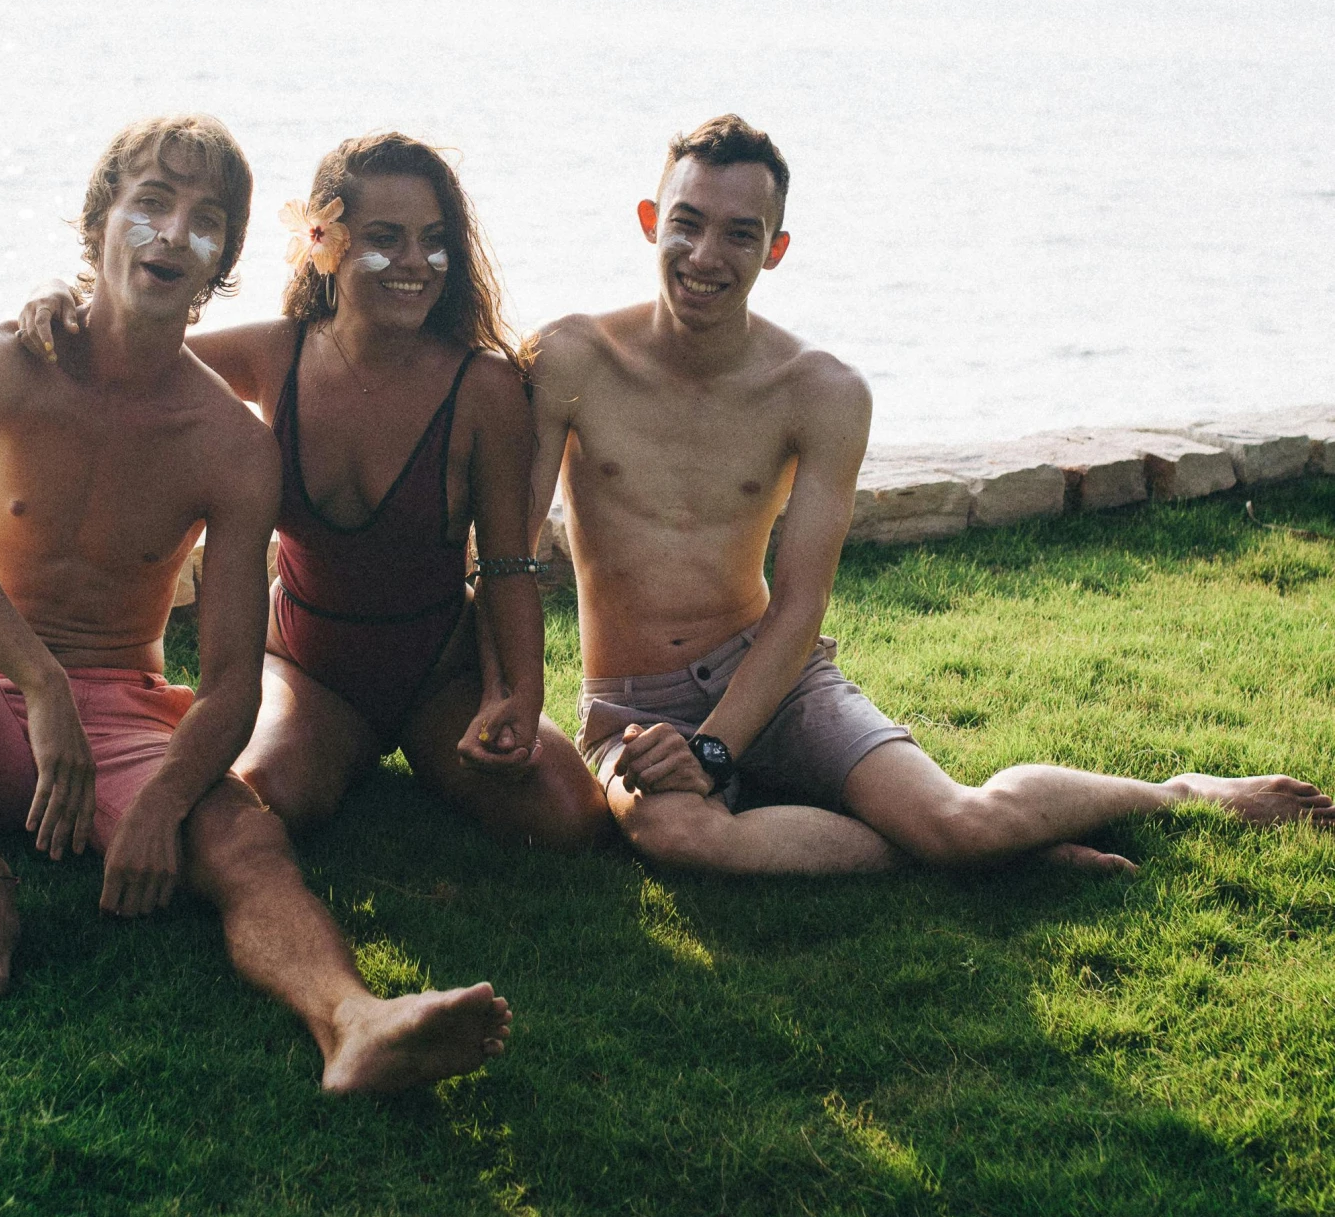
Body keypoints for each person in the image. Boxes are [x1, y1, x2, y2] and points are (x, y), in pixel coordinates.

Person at [0, 114, 511, 1092]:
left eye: (205, 219)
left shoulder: (230, 443)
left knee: (248, 836)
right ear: (99, 226)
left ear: (223, 262)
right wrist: (39, 681)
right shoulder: (1, 364)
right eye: (152, 205)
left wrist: (165, 799)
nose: (174, 234)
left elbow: (226, 685)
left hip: (118, 717)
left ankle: (353, 1020)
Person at [528, 113, 1334, 877]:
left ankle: (1174, 791)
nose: (706, 253)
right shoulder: (570, 359)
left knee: (961, 821)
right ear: (648, 220)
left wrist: (712, 750)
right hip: (632, 706)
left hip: (772, 676)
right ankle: (989, 856)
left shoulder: (822, 391)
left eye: (740, 233)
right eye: (688, 221)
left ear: (774, 248)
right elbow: (509, 547)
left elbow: (801, 604)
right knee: (677, 835)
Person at [19, 130, 609, 854]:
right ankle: (333, 754)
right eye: (385, 238)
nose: (415, 264)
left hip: (439, 676)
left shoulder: (481, 385)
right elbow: (132, 349)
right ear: (323, 241)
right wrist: (61, 294)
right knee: (264, 802)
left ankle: (407, 755)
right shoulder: (277, 353)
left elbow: (509, 563)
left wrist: (513, 693)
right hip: (308, 672)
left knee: (569, 816)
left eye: (432, 239)